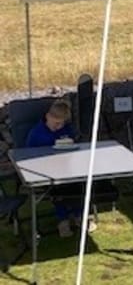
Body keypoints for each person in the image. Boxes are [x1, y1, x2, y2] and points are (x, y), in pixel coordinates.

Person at [26, 99, 95, 237]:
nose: (59, 127)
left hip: (66, 167)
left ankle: (78, 216)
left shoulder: (66, 129)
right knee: (58, 189)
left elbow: (72, 144)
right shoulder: (36, 133)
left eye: (62, 123)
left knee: (79, 183)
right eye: (56, 123)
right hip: (44, 170)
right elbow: (27, 155)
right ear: (48, 116)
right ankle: (62, 220)